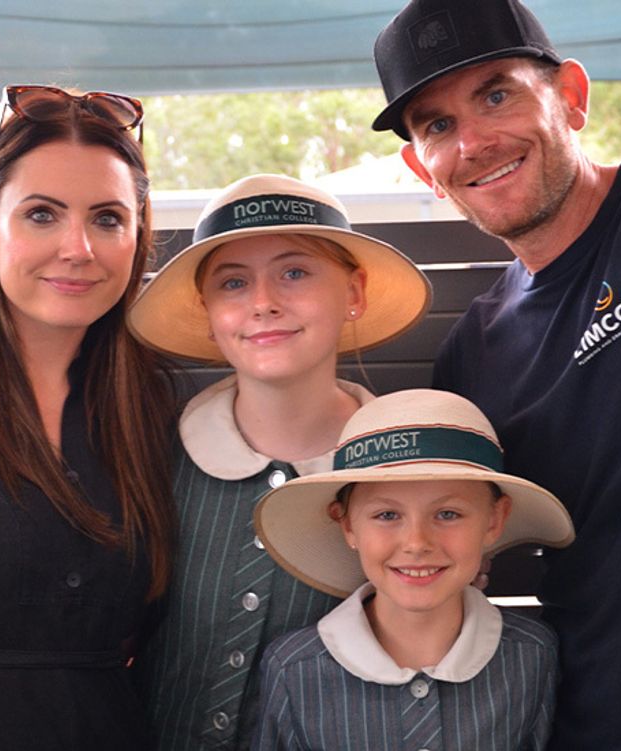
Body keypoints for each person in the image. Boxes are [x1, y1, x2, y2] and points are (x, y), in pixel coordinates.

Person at [370, 0, 621, 748]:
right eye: (438, 125)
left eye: (497, 94)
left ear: (573, 97)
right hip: (596, 727)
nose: (474, 142)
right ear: (424, 169)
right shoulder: (472, 357)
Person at [0, 85, 176, 750]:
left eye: (108, 219)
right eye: (42, 214)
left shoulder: (148, 396)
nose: (78, 248)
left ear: (138, 231)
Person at [127, 173, 432, 749]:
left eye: (294, 273)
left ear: (354, 293)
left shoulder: (410, 475)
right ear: (208, 313)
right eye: (233, 282)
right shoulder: (152, 458)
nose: (263, 302)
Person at [251, 388, 575, 750]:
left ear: (494, 520)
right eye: (387, 515)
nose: (417, 543)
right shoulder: (293, 670)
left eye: (448, 514)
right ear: (347, 524)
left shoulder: (532, 656)